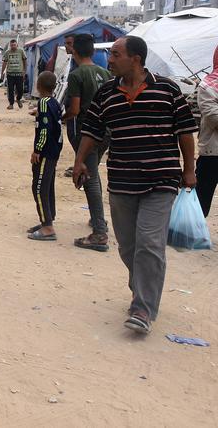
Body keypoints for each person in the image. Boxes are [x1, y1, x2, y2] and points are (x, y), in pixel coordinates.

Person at [74, 36, 197, 335]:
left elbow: (184, 133)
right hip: (122, 180)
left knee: (150, 243)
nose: (110, 60)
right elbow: (91, 129)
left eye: (116, 54)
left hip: (161, 180)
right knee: (129, 246)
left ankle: (142, 307)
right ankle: (142, 284)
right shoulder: (107, 93)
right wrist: (79, 161)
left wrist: (189, 170)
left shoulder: (167, 90)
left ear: (136, 59)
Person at [63, 33, 112, 251]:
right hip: (106, 132)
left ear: (74, 50)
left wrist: (60, 118)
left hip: (86, 132)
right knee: (93, 173)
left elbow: (74, 109)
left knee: (89, 177)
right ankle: (97, 218)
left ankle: (100, 232)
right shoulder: (106, 73)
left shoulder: (77, 75)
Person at [28, 71, 63, 242]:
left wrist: (37, 150)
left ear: (38, 86)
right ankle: (47, 218)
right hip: (55, 150)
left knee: (39, 187)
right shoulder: (55, 103)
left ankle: (48, 226)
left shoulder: (43, 103)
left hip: (46, 152)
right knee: (48, 185)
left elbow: (44, 129)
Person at [195, 45, 218, 217]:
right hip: (213, 153)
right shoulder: (208, 86)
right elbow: (214, 117)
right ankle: (194, 233)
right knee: (202, 198)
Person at [1, 39, 27, 109]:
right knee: (10, 90)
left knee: (20, 90)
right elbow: (4, 63)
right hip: (10, 74)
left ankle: (18, 99)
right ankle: (11, 104)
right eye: (12, 45)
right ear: (10, 46)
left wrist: (24, 71)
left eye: (14, 45)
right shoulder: (7, 52)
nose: (13, 46)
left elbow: (25, 61)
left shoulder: (21, 51)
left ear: (17, 45)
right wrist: (2, 73)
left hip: (19, 74)